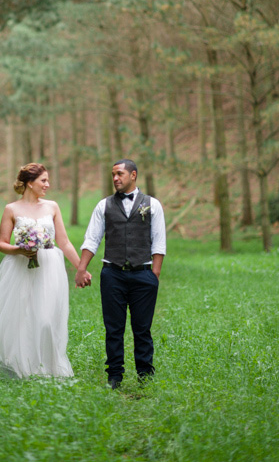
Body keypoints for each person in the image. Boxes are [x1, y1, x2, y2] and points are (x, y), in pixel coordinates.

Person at [0, 162, 90, 379]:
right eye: (43, 180)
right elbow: (1, 243)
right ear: (29, 183)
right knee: (22, 316)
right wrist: (20, 249)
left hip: (50, 269)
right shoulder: (11, 209)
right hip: (20, 268)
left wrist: (81, 267)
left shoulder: (52, 206)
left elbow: (64, 242)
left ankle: (48, 366)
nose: (48, 185)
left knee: (46, 319)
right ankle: (19, 364)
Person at [75, 159, 166, 389]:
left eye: (120, 174)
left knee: (142, 329)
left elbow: (159, 242)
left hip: (143, 275)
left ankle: (145, 376)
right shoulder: (103, 205)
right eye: (113, 174)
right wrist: (82, 268)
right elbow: (92, 239)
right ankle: (114, 377)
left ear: (133, 175)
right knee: (113, 328)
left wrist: (154, 275)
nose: (115, 178)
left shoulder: (152, 205)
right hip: (112, 274)